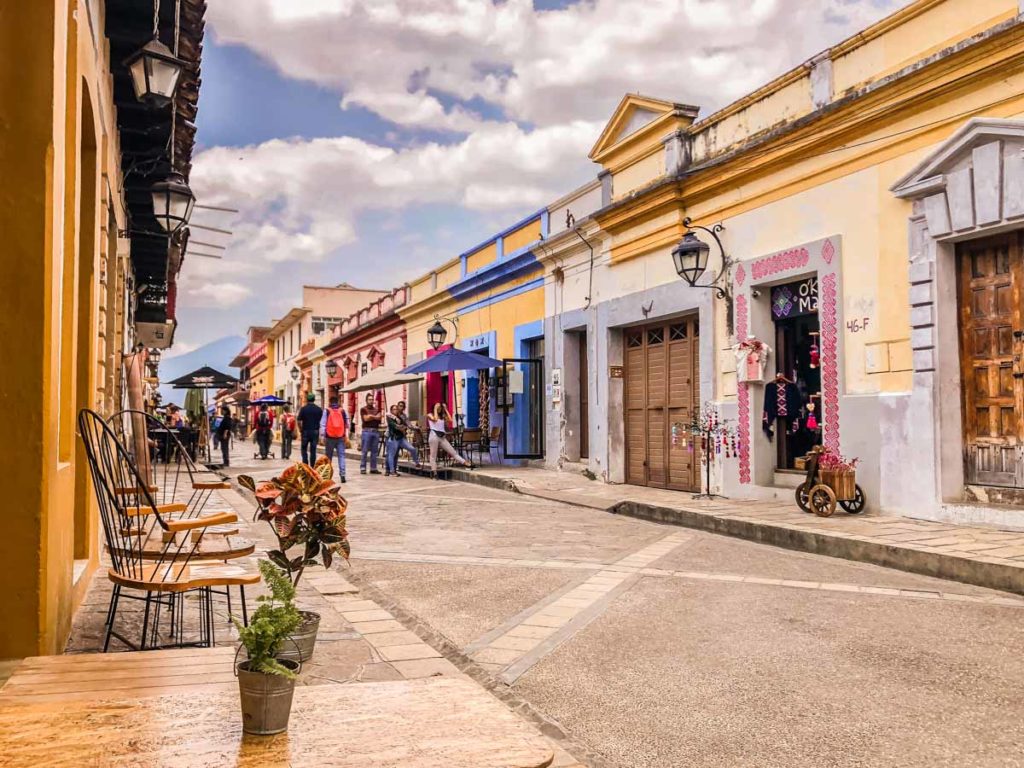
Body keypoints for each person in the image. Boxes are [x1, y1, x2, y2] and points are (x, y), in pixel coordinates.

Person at [427, 403, 471, 477]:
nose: (439, 408)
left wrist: (446, 409)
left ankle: (466, 463)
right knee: (433, 455)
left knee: (453, 452)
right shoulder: (429, 414)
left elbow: (450, 420)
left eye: (440, 407)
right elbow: (435, 419)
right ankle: (434, 472)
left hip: (442, 437)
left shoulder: (442, 416)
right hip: (434, 436)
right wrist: (435, 408)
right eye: (438, 407)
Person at [385, 400, 420, 476]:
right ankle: (390, 470)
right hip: (392, 437)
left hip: (400, 438)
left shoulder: (402, 417)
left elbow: (407, 425)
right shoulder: (389, 416)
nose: (397, 409)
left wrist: (415, 428)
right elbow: (396, 426)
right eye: (396, 408)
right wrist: (401, 428)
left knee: (411, 449)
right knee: (391, 454)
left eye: (397, 408)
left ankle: (416, 463)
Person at [320, 396, 349, 482]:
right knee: (342, 456)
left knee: (328, 457)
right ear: (338, 401)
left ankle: (327, 475)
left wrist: (322, 436)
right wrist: (346, 436)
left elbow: (323, 424)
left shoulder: (327, 411)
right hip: (340, 436)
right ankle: (343, 474)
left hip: (330, 437)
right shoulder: (343, 411)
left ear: (330, 402)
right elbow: (347, 424)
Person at [359, 392, 382, 474]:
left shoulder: (377, 409)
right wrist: (374, 417)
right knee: (364, 451)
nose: (371, 401)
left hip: (376, 431)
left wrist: (371, 416)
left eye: (372, 399)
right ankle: (363, 468)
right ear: (366, 400)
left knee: (374, 451)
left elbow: (379, 418)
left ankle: (373, 468)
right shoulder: (363, 409)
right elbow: (365, 419)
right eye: (369, 399)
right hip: (367, 431)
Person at [297, 392, 323, 466]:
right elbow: (321, 420)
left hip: (305, 431)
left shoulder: (303, 409)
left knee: (304, 449)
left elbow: (299, 420)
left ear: (307, 399)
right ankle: (312, 465)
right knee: (313, 450)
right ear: (314, 399)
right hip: (315, 431)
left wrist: (300, 429)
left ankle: (305, 464)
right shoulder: (319, 409)